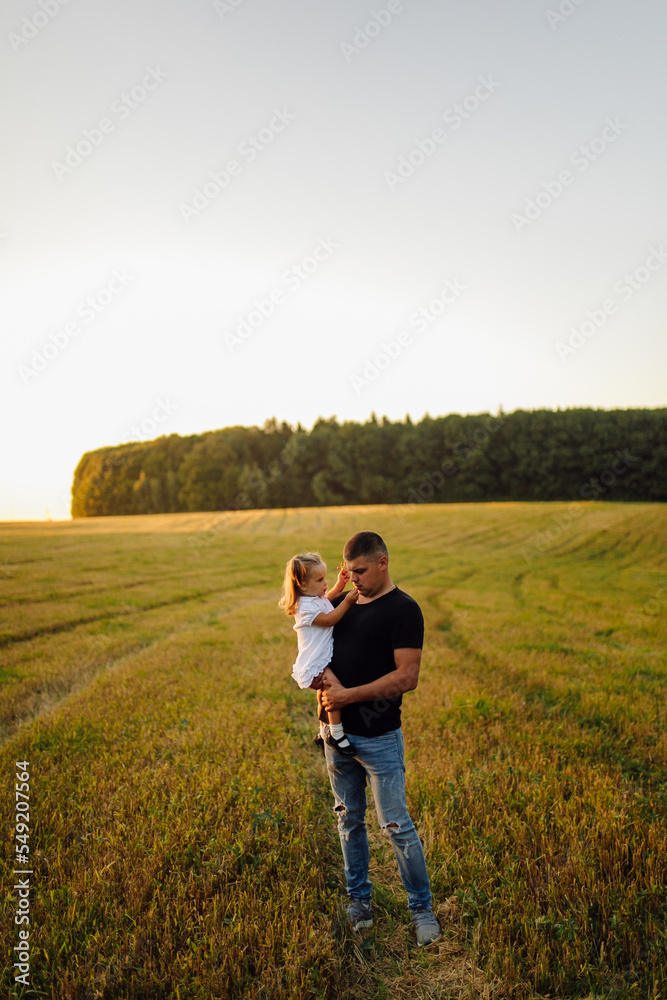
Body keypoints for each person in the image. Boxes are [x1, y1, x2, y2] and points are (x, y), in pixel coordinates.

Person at [320, 530, 442, 947]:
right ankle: (359, 903)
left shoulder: (404, 610)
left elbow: (408, 677)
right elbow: (307, 646)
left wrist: (349, 695)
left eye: (360, 571)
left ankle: (421, 908)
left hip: (379, 736)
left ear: (383, 563)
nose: (352, 579)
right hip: (334, 735)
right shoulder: (340, 603)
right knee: (348, 819)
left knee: (395, 824)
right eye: (348, 571)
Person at [279, 552, 359, 755]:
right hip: (317, 662)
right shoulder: (304, 608)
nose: (325, 583)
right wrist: (347, 601)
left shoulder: (313, 598)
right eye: (320, 580)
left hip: (321, 657)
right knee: (334, 690)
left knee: (323, 692)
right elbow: (330, 618)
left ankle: (322, 730)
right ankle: (336, 734)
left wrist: (339, 587)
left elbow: (326, 601)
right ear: (303, 585)